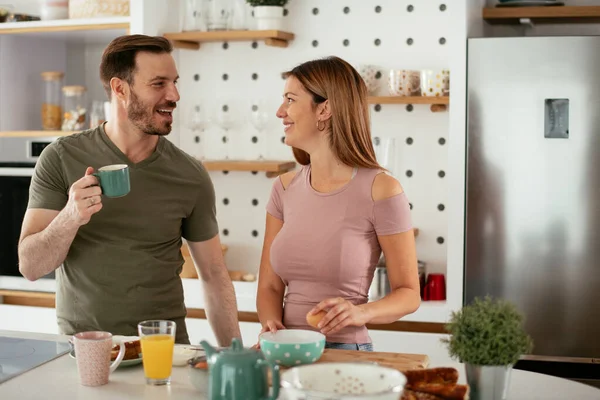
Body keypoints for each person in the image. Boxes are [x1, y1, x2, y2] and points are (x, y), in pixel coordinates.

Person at [18, 34, 241, 346]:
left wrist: (235, 355)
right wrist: (70, 217)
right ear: (120, 89)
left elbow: (215, 277)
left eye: (175, 82)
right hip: (86, 351)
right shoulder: (60, 158)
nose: (174, 94)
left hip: (164, 352)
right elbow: (30, 266)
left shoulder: (189, 174)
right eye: (158, 83)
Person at [255, 56, 421, 351]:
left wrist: (360, 312)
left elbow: (409, 294)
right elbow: (269, 287)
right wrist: (271, 327)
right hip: (286, 351)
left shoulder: (381, 190)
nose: (280, 112)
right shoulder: (283, 188)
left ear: (325, 109)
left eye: (290, 100)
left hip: (347, 354)